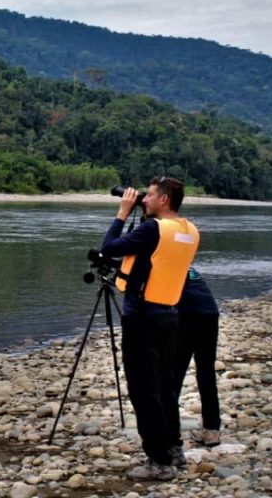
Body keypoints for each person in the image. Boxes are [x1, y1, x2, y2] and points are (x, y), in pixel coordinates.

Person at [100, 177, 200, 481]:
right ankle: (174, 449)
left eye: (151, 195)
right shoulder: (190, 231)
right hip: (170, 315)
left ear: (164, 200)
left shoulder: (152, 229)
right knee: (165, 387)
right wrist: (143, 212)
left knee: (144, 391)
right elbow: (152, 257)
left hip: (143, 318)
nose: (145, 199)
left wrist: (121, 212)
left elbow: (109, 249)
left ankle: (158, 462)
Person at [174, 267, 222, 447]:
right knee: (206, 373)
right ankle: (212, 430)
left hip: (187, 314)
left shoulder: (163, 264)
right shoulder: (188, 267)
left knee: (175, 372)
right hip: (210, 313)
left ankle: (169, 431)